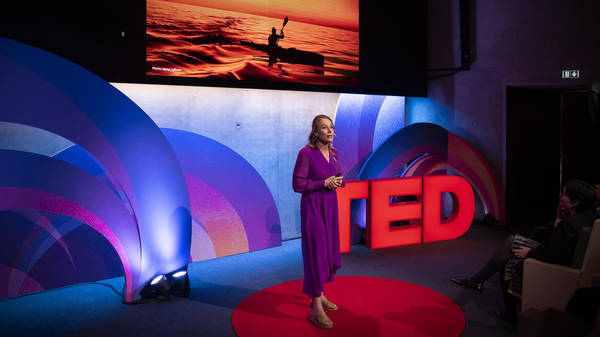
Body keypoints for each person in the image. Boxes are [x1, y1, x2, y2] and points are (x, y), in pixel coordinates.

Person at [451, 180, 598, 324]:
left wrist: (529, 253)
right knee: (512, 244)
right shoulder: (588, 218)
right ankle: (477, 282)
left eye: (564, 195)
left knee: (510, 248)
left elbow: (553, 254)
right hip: (558, 257)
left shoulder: (571, 225)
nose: (560, 196)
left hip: (554, 266)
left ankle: (481, 285)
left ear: (575, 202)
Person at [292, 114, 344, 329]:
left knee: (327, 252)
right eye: (325, 128)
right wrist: (323, 183)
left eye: (331, 127)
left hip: (330, 207)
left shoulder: (333, 152)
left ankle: (320, 294)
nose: (330, 131)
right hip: (313, 208)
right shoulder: (305, 154)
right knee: (315, 254)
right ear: (315, 132)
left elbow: (337, 175)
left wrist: (339, 182)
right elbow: (298, 184)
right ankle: (315, 307)